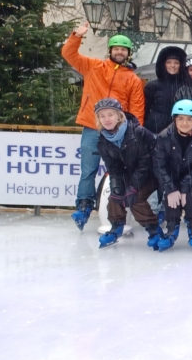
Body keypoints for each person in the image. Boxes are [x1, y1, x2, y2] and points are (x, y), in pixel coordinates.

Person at [61, 21, 145, 231]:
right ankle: (83, 206)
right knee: (88, 170)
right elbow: (68, 54)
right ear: (110, 51)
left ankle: (118, 211)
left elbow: (136, 109)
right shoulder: (93, 66)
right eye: (116, 48)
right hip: (92, 126)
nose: (119, 52)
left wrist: (134, 135)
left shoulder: (133, 79)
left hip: (118, 133)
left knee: (117, 172)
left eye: (123, 49)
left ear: (128, 53)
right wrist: (76, 36)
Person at [93, 98, 157, 249]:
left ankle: (153, 229)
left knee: (134, 198)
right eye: (102, 116)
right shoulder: (103, 141)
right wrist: (117, 186)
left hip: (153, 172)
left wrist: (133, 187)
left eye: (110, 115)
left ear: (119, 116)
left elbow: (146, 163)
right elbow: (114, 168)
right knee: (116, 196)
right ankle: (116, 226)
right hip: (131, 173)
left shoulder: (138, 132)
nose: (107, 119)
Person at [152, 100, 192, 251]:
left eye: (189, 119)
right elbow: (160, 165)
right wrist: (172, 189)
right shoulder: (163, 137)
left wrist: (184, 188)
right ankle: (172, 227)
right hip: (173, 176)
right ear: (174, 119)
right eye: (180, 118)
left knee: (191, 196)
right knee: (171, 197)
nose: (184, 123)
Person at [144, 46, 189, 137]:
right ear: (163, 64)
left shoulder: (187, 85)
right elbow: (145, 109)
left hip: (179, 132)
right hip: (155, 130)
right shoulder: (153, 85)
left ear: (181, 65)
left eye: (176, 63)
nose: (172, 66)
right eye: (169, 62)